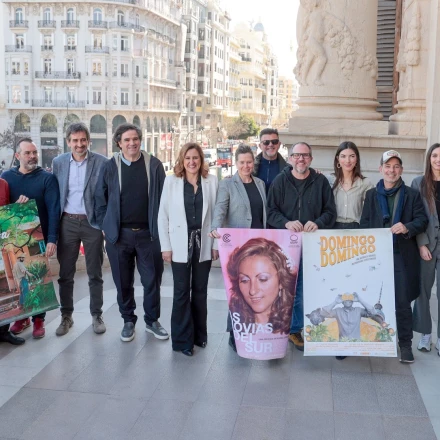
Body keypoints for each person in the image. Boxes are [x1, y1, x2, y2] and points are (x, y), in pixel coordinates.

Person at [94, 123, 168, 343]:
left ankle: (152, 321)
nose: (132, 143)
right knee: (123, 281)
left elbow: (164, 200)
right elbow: (100, 200)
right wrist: (107, 229)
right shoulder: (109, 167)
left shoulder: (154, 165)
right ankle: (128, 321)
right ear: (119, 143)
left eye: (135, 139)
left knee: (152, 280)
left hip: (149, 235)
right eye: (127, 140)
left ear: (140, 140)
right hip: (120, 236)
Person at [267, 141, 336, 351]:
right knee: (286, 288)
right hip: (286, 245)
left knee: (307, 287)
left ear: (311, 159)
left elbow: (330, 212)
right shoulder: (280, 181)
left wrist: (319, 222)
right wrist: (286, 222)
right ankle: (287, 328)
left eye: (305, 156)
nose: (301, 159)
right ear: (290, 159)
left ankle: (303, 328)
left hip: (313, 245)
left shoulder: (321, 181)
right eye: (297, 155)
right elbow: (270, 212)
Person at [360, 150, 428, 363]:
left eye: (396, 166)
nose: (392, 170)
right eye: (388, 166)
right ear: (381, 169)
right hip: (376, 256)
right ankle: (375, 340)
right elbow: (365, 224)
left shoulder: (411, 194)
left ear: (401, 170)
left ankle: (405, 344)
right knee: (372, 299)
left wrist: (406, 226)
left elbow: (421, 220)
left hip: (401, 255)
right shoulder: (371, 195)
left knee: (401, 301)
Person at [158, 143, 218, 356]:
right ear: (182, 161)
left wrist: (216, 245)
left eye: (196, 158)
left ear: (201, 160)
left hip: (204, 244)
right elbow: (162, 215)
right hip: (179, 245)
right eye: (188, 158)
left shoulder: (211, 181)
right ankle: (183, 341)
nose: (192, 162)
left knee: (200, 291)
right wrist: (165, 246)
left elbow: (217, 217)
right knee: (182, 292)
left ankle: (200, 335)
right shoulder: (171, 181)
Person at [52, 123, 108, 336]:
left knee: (95, 272)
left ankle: (97, 315)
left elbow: (108, 195)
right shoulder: (58, 163)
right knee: (66, 273)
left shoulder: (101, 163)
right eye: (75, 140)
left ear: (88, 140)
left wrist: (103, 224)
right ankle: (66, 316)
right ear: (68, 142)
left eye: (83, 140)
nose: (79, 144)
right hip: (66, 222)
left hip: (92, 223)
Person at [210, 144, 267, 351]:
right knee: (238, 292)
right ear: (236, 164)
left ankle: (253, 329)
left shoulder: (260, 184)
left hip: (259, 246)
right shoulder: (228, 184)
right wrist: (216, 227)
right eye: (242, 162)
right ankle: (234, 333)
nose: (246, 166)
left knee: (255, 290)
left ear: (254, 163)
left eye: (249, 162)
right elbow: (220, 207)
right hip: (238, 246)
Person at [2, 138, 60, 339]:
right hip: (16, 241)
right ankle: (23, 317)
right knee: (21, 281)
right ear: (18, 156)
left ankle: (38, 320)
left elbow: (54, 210)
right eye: (28, 153)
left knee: (38, 276)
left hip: (39, 239)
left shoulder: (47, 178)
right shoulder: (6, 177)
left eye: (34, 152)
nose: (33, 156)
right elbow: (4, 210)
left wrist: (52, 239)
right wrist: (17, 206)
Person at [226, 238, 297, 334]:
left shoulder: (294, 323)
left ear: (281, 281)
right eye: (245, 280)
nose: (252, 291)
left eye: (263, 279)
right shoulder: (237, 325)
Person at [411, 143, 440, 355]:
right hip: (427, 245)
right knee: (422, 291)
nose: (439, 160)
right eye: (435, 156)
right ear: (429, 158)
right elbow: (415, 216)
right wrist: (421, 243)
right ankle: (425, 334)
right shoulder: (419, 183)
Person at [0, 178, 25, 345]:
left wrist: (17, 206)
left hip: (2, 241)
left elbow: (7, 212)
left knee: (6, 292)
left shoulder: (3, 184)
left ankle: (3, 331)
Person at [327, 141, 373, 229]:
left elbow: (372, 210)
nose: (347, 161)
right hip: (332, 228)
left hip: (355, 228)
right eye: (343, 156)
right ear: (338, 159)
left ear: (357, 159)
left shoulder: (365, 183)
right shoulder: (328, 180)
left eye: (352, 156)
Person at [253, 128, 287, 193]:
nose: (270, 144)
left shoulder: (288, 170)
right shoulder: (250, 167)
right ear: (260, 146)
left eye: (274, 142)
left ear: (279, 144)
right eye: (266, 142)